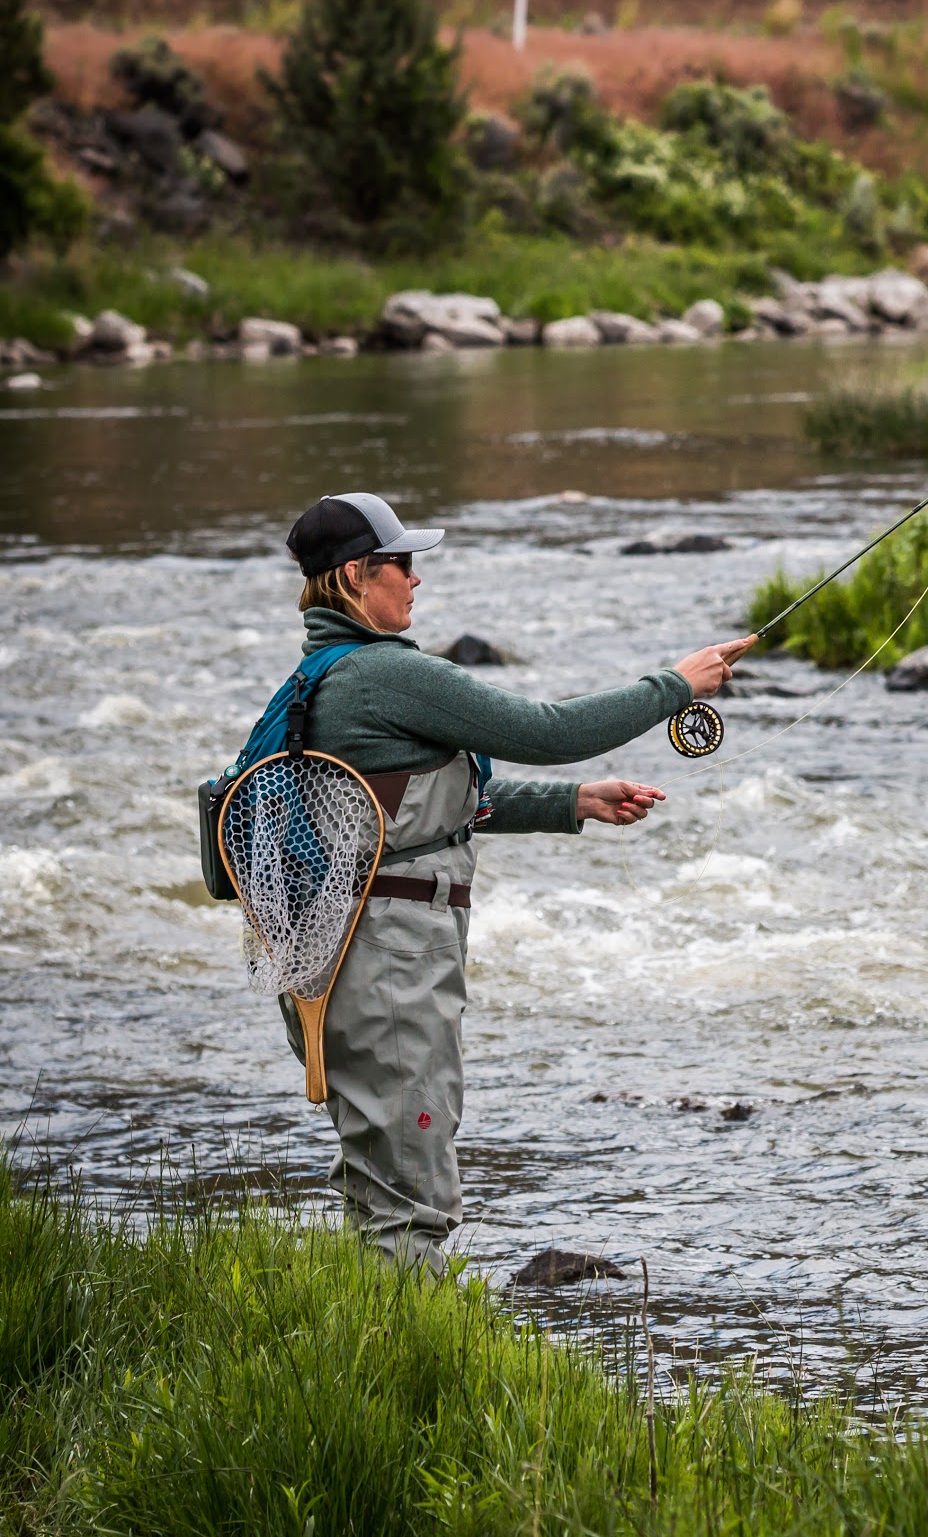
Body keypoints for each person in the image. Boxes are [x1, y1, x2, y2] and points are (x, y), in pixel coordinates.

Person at [277, 491, 752, 1271]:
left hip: (342, 959)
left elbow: (406, 813)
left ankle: (370, 1328)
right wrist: (674, 685)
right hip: (389, 962)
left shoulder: (318, 679)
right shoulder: (385, 675)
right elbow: (546, 729)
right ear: (358, 575)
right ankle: (407, 1344)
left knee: (380, 1179)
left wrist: (572, 803)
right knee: (410, 1194)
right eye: (402, 562)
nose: (416, 578)